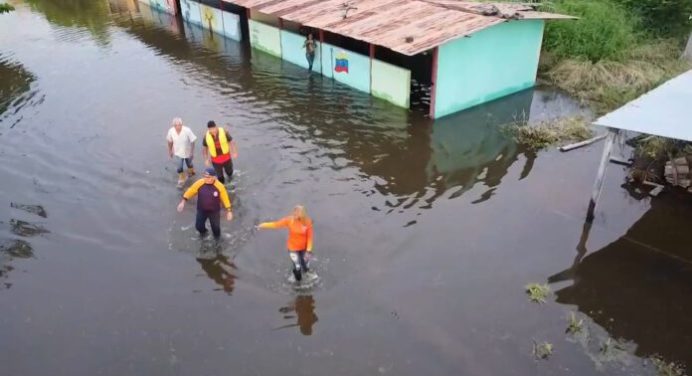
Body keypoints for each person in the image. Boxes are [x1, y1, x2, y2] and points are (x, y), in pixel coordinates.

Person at [257, 205, 314, 281]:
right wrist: (263, 225)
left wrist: (308, 250)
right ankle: (298, 283)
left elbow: (310, 238)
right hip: (292, 248)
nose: (295, 215)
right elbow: (276, 225)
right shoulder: (289, 220)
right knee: (297, 267)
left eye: (297, 213)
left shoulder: (307, 222)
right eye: (294, 212)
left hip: (304, 248)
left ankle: (306, 270)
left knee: (305, 267)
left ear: (302, 214)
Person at [177, 167, 233, 239]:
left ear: (214, 177)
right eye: (205, 177)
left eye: (208, 177)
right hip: (201, 210)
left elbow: (225, 199)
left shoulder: (220, 186)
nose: (206, 179)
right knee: (199, 227)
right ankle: (204, 235)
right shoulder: (200, 183)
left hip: (214, 212)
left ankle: (217, 241)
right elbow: (191, 191)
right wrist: (183, 201)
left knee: (216, 230)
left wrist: (229, 211)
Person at [202, 120, 237, 185]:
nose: (213, 130)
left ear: (216, 127)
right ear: (208, 129)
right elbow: (204, 148)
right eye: (211, 129)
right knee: (220, 177)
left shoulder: (224, 132)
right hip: (216, 160)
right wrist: (206, 159)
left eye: (214, 128)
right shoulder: (206, 136)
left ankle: (231, 182)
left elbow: (231, 141)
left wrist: (234, 152)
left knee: (229, 172)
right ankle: (223, 187)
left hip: (226, 158)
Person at [166, 117, 197, 187]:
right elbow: (169, 141)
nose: (178, 127)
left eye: (179, 125)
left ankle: (191, 171)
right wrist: (170, 150)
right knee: (179, 167)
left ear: (182, 124)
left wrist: (192, 152)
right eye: (176, 125)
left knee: (189, 164)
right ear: (173, 126)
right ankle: (181, 179)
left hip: (187, 151)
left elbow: (193, 141)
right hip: (178, 152)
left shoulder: (187, 130)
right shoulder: (171, 131)